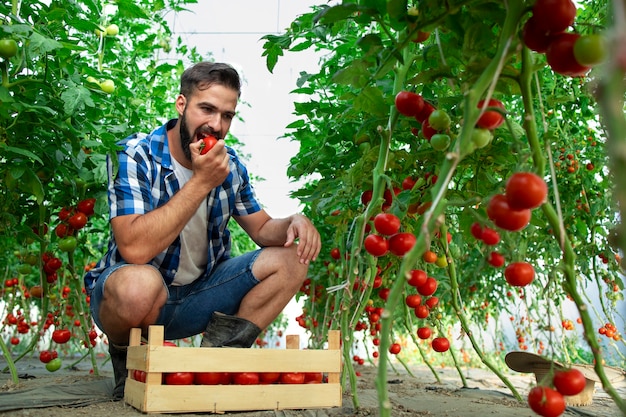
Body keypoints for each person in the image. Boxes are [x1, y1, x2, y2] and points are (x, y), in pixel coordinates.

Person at [83, 61, 321, 399]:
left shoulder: (231, 165)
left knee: (293, 259)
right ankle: (130, 365)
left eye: (226, 115)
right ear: (181, 105)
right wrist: (200, 182)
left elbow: (264, 228)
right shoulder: (135, 155)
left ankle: (216, 364)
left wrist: (293, 221)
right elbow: (134, 249)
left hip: (199, 297)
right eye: (206, 109)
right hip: (135, 302)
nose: (216, 125)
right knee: (138, 284)